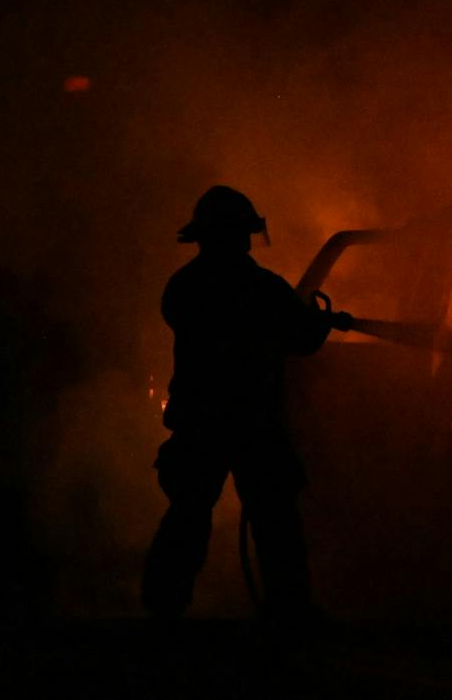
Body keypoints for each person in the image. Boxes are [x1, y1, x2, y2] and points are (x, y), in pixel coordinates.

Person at [141, 185, 350, 621]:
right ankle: (288, 613)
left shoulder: (183, 286)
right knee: (275, 522)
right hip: (253, 423)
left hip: (200, 421)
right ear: (240, 234)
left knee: (188, 516)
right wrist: (321, 322)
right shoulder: (261, 288)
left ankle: (163, 610)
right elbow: (301, 339)